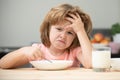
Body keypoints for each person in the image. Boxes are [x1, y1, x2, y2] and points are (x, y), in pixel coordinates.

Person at [0, 3, 92, 69]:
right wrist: (24, 51)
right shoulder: (38, 50)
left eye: (70, 33)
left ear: (75, 37)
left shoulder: (74, 52)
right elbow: (2, 64)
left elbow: (91, 63)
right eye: (59, 29)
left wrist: (80, 30)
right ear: (48, 29)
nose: (63, 36)